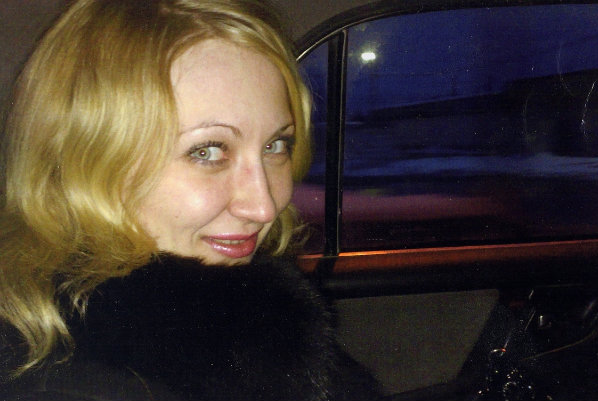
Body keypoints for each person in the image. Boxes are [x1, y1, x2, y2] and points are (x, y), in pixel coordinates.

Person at [0, 0, 381, 400]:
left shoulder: (251, 318)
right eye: (207, 151)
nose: (265, 207)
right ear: (85, 161)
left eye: (275, 145)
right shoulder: (70, 385)